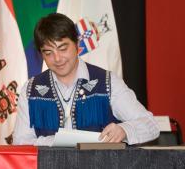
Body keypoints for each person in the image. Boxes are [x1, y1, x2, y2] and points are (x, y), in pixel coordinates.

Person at [13, 13, 160, 146]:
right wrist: (59, 141)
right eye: (48, 52)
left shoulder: (107, 82)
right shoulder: (31, 89)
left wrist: (124, 130)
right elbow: (21, 142)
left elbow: (150, 125)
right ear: (41, 54)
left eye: (63, 49)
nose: (57, 59)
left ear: (77, 45)